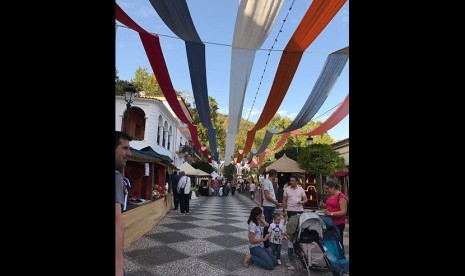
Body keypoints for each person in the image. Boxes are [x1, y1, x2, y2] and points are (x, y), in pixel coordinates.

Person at [115, 131, 132, 276]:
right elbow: (116, 220)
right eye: (125, 148)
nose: (130, 153)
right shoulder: (116, 176)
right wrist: (118, 267)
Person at [282, 175, 308, 268]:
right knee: (291, 230)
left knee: (299, 230)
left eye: (293, 181)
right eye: (290, 180)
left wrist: (302, 202)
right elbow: (284, 200)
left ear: (297, 181)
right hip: (290, 211)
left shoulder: (301, 189)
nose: (291, 182)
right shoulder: (286, 189)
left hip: (300, 211)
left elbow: (306, 199)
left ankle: (298, 249)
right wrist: (284, 210)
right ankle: (291, 251)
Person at [319, 181, 348, 247]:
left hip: (338, 223)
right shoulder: (330, 195)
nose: (326, 190)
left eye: (327, 188)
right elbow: (331, 206)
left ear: (333, 187)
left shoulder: (341, 197)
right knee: (331, 241)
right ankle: (332, 256)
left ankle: (340, 256)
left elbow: (343, 211)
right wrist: (324, 205)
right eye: (325, 189)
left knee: (338, 242)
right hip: (329, 222)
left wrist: (331, 213)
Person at [262, 169, 282, 249]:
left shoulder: (269, 182)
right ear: (273, 175)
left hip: (270, 205)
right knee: (268, 225)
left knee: (269, 224)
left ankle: (267, 242)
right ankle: (266, 243)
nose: (276, 176)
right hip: (268, 206)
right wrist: (276, 202)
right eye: (276, 175)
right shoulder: (267, 182)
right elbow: (267, 196)